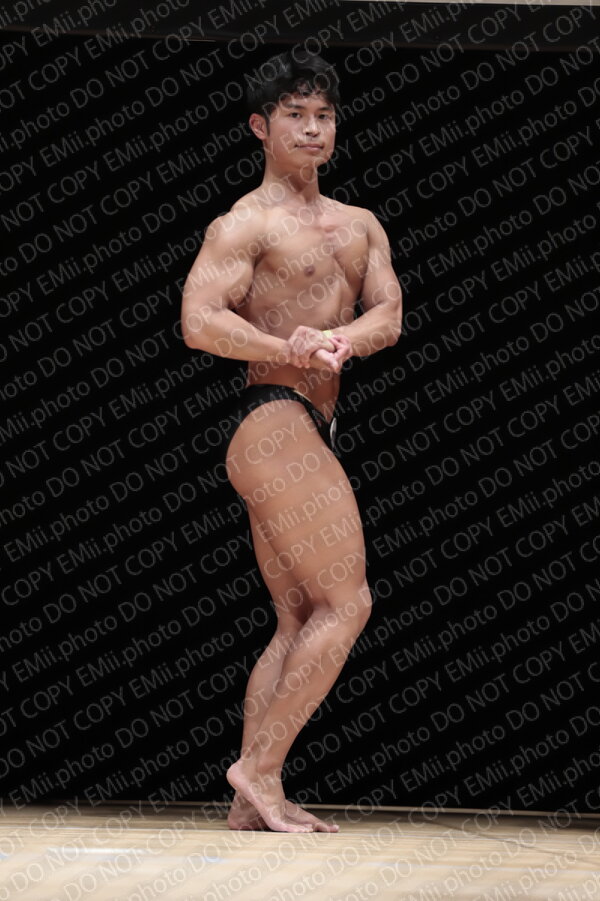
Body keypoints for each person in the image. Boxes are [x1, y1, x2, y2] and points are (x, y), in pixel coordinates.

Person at [181, 50, 403, 833]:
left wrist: (342, 341)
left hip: (307, 420)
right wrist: (289, 349)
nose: (312, 129)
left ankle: (251, 797)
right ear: (259, 126)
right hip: (271, 415)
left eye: (324, 116)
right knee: (349, 600)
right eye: (294, 115)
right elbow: (200, 320)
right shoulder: (246, 222)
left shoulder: (360, 224)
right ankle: (262, 768)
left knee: (301, 615)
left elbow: (389, 313)